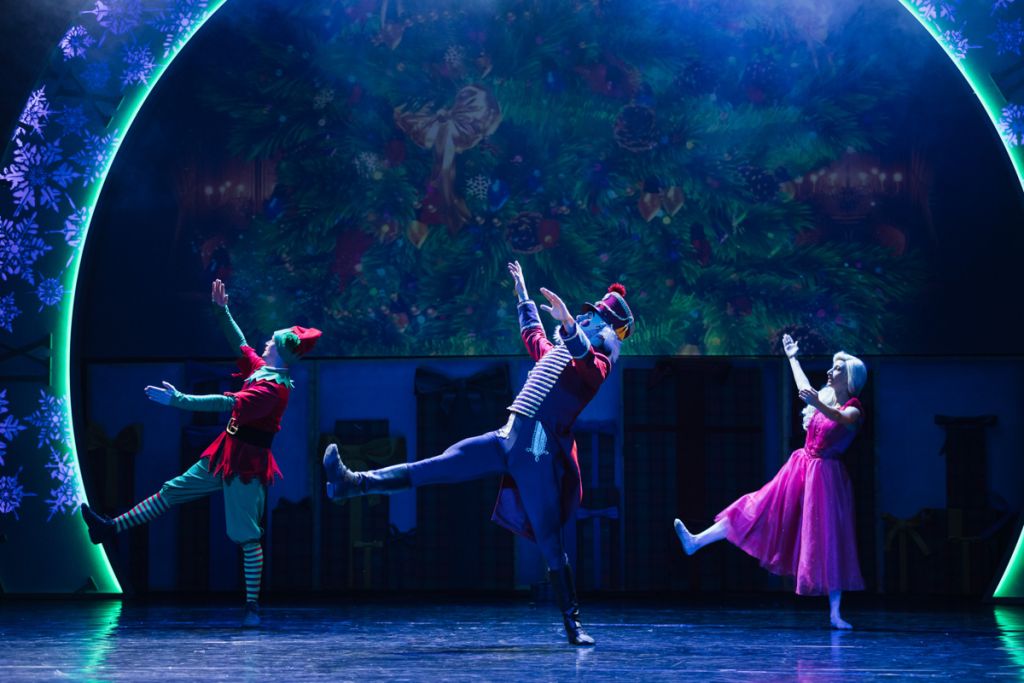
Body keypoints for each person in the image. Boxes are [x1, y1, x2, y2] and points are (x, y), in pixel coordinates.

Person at [323, 261, 634, 646]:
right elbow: (534, 336)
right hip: (508, 436)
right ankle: (352, 484)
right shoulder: (558, 354)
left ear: (606, 332)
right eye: (584, 315)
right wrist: (523, 294)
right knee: (438, 466)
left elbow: (586, 359)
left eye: (593, 318)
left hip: (537, 445)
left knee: (549, 538)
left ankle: (573, 624)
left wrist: (569, 324)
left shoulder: (598, 362)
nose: (585, 318)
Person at [81, 279, 320, 627]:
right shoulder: (263, 371)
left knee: (246, 534)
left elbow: (226, 402)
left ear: (282, 352)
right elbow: (239, 342)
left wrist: (179, 400)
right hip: (226, 451)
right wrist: (221, 311)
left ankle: (252, 605)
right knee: (172, 490)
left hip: (246, 464)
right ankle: (109, 528)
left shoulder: (274, 389)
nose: (267, 342)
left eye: (273, 341)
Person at [674, 334, 867, 629]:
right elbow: (805, 389)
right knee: (754, 506)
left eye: (837, 368)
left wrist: (817, 402)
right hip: (801, 467)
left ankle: (835, 613)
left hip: (826, 478)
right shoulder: (825, 396)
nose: (830, 371)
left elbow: (843, 420)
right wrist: (792, 357)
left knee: (829, 538)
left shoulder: (854, 407)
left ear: (850, 377)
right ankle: (696, 541)